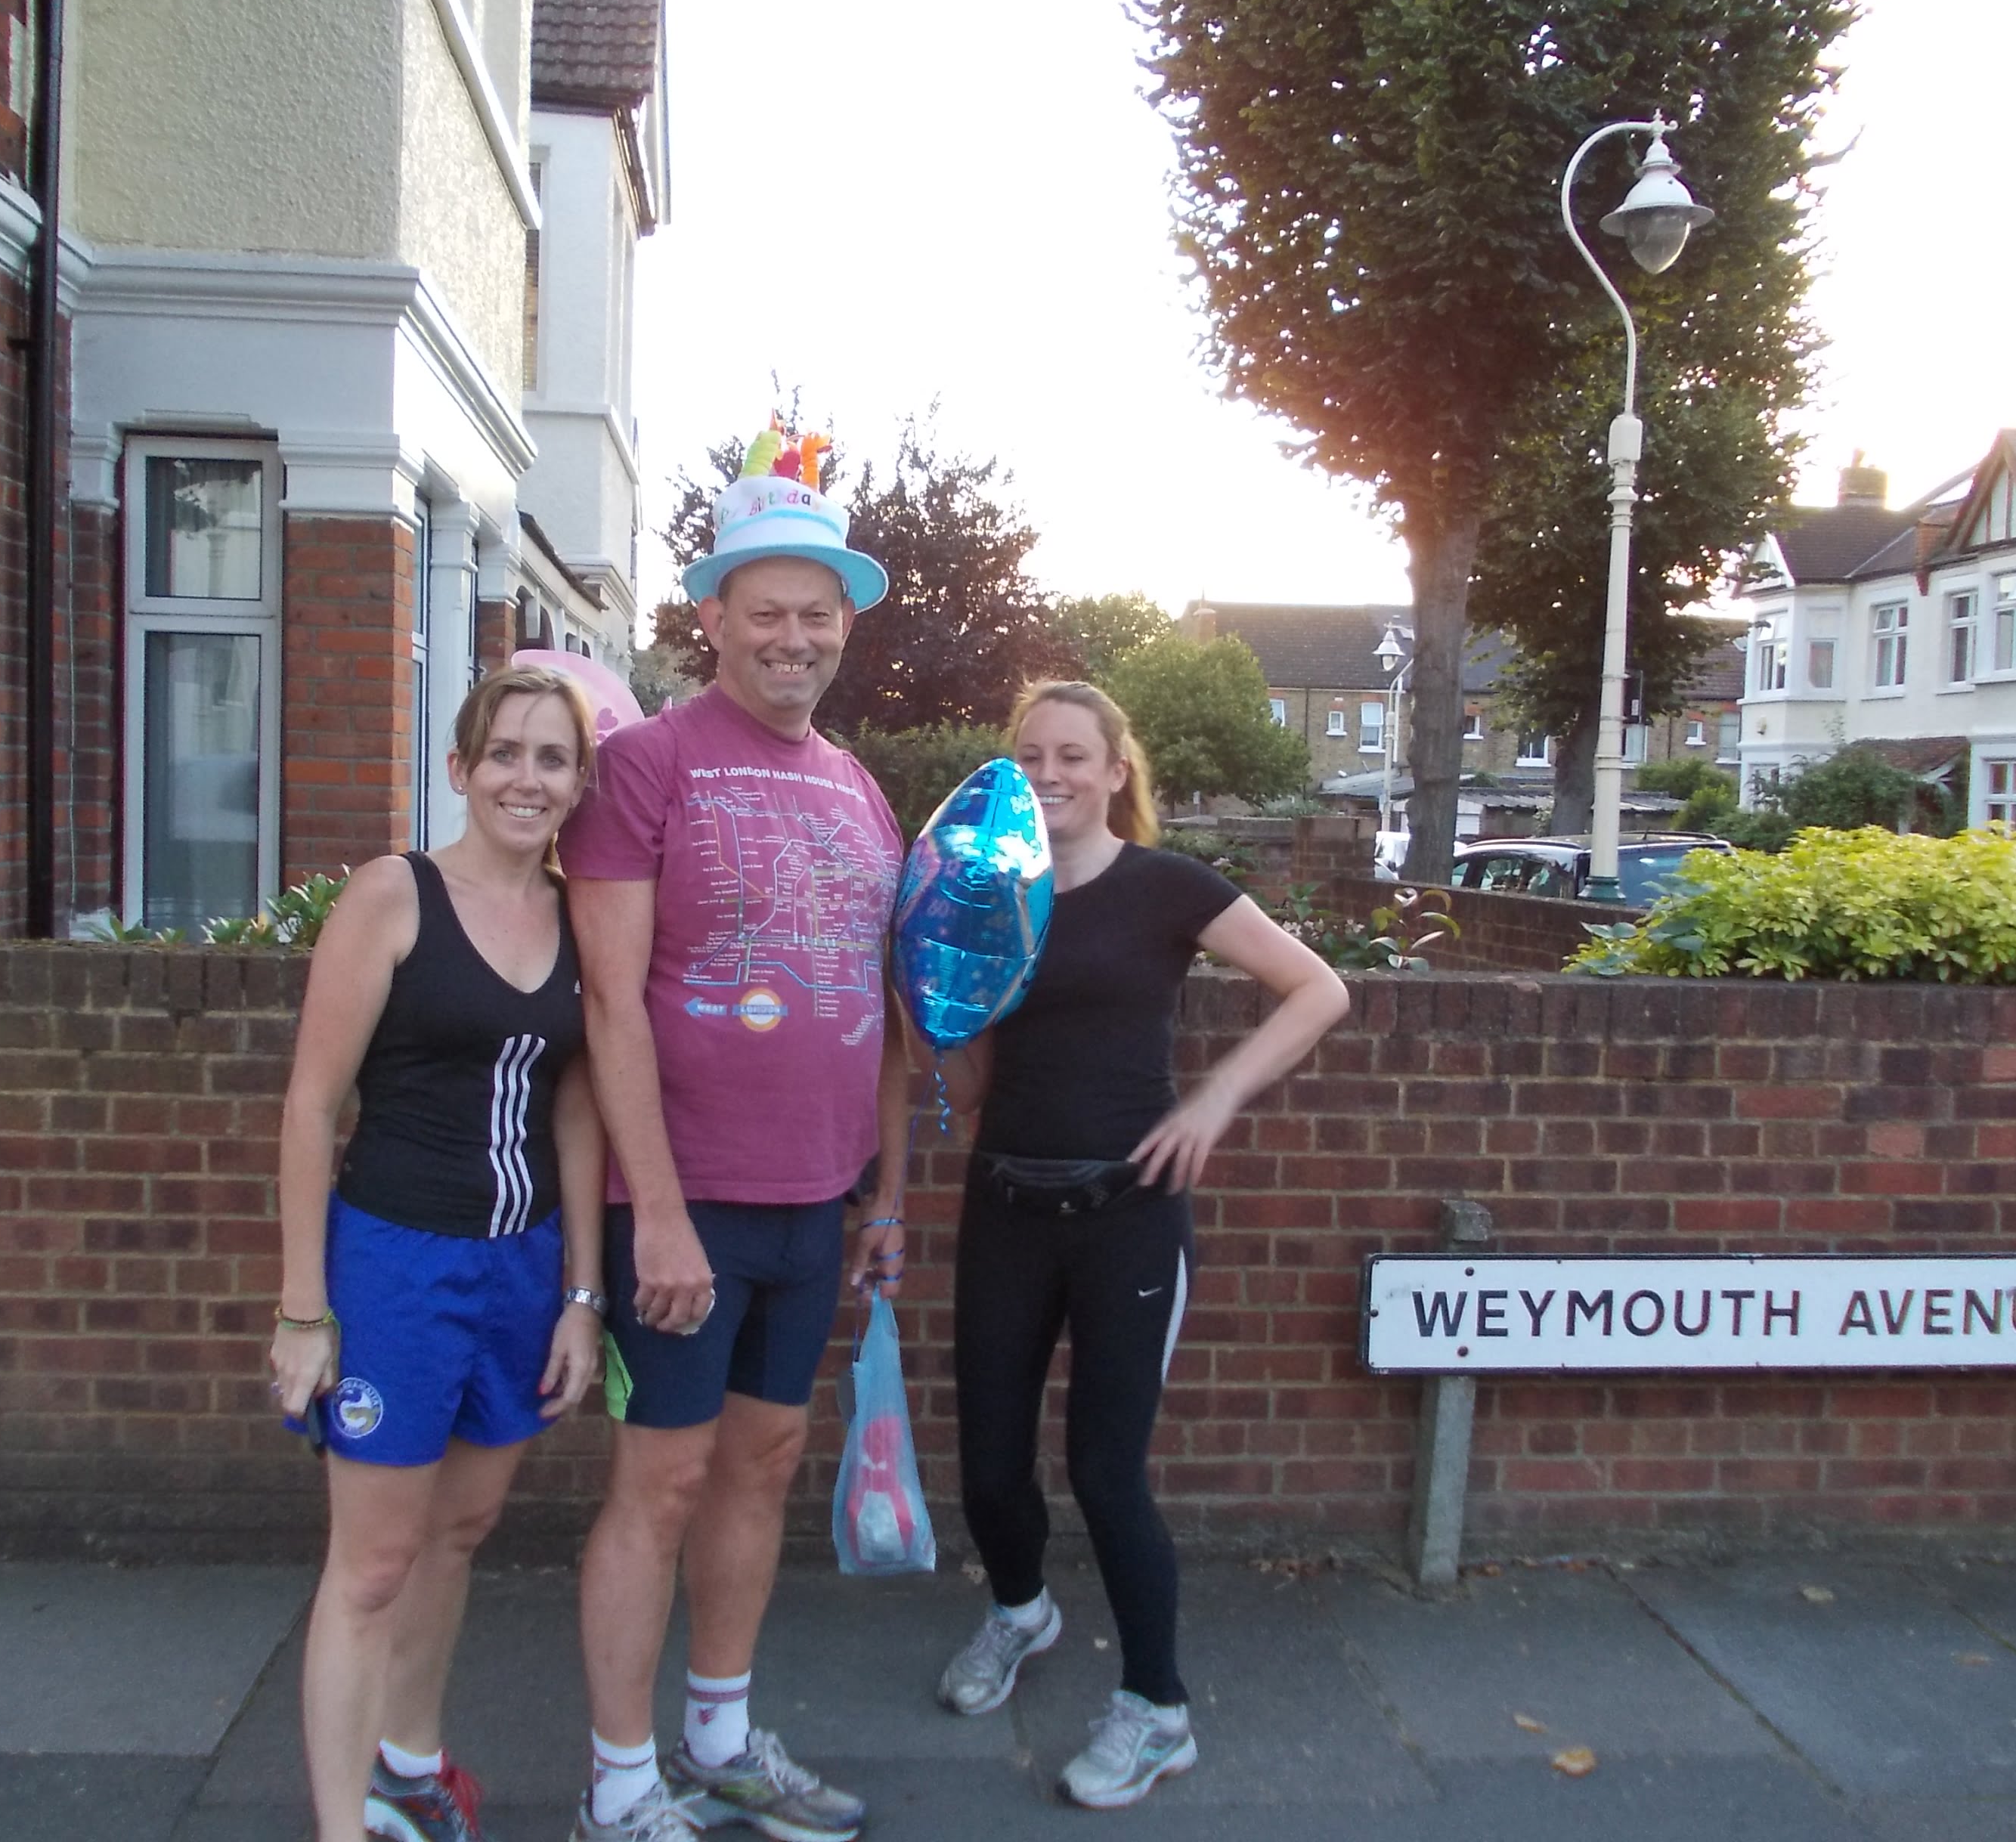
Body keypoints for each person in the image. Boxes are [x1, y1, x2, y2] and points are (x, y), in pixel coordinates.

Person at [558, 437, 908, 1842]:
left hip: (815, 1204)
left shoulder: (861, 788)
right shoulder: (644, 767)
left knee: (761, 1466)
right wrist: (659, 1211)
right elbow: (609, 1003)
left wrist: (883, 1196)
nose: (793, 636)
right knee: (662, 1482)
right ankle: (619, 1788)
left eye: (818, 612)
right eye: (766, 610)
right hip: (685, 1206)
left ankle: (717, 1739)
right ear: (712, 615)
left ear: (845, 625)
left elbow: (888, 1007)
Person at [929, 680, 1350, 1810]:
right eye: (1031, 757)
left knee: (1106, 1473)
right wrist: (933, 1008)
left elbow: (1317, 990)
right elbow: (971, 1083)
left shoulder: (1167, 887)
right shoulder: (991, 897)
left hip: (1129, 1217)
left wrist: (1213, 1101)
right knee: (988, 1468)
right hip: (1006, 1205)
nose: (1050, 775)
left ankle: (1157, 1711)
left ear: (1117, 771)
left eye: (1073, 755)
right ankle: (1020, 1610)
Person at [270, 667, 609, 1842]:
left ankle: (409, 1769)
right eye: (504, 752)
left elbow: (577, 1112)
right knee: (371, 1567)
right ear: (459, 769)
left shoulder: (578, 915)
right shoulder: (393, 896)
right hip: (396, 1268)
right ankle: (341, 1827)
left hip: (521, 1270)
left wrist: (581, 1296)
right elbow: (312, 1106)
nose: (527, 778)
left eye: (552, 758)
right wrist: (303, 1310)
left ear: (579, 782)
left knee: (458, 1534)